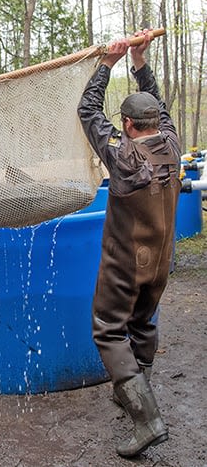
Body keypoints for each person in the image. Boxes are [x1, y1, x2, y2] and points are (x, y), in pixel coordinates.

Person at [78, 30, 181, 458]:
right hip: (160, 262)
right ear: (156, 121)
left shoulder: (122, 158)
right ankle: (137, 394)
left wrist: (108, 63)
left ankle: (147, 418)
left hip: (126, 263)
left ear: (126, 125)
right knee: (143, 324)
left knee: (108, 330)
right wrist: (139, 62)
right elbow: (154, 99)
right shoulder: (173, 145)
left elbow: (87, 109)